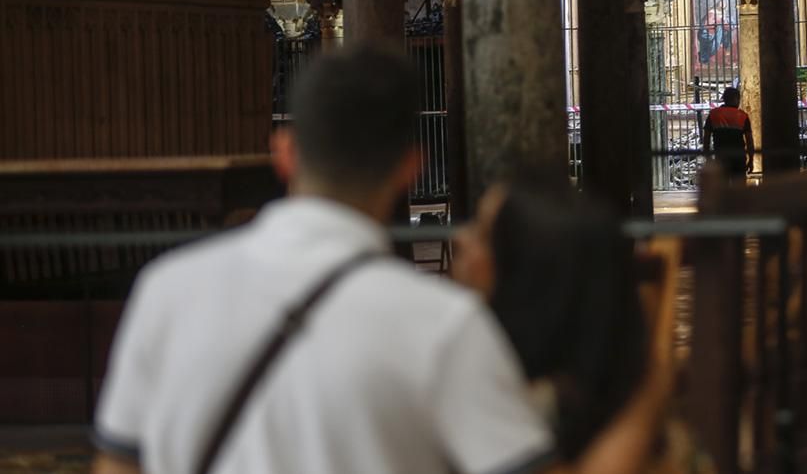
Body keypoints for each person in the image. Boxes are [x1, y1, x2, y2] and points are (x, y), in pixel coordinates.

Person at [92, 45, 557, 474]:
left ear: (285, 153)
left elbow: (118, 462)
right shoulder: (443, 324)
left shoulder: (168, 289)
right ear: (410, 167)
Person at [453, 182, 696, 473]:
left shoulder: (498, 394)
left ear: (529, 275)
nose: (461, 238)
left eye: (482, 234)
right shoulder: (626, 397)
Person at [702, 87, 754, 180]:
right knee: (739, 189)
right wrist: (751, 160)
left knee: (722, 189)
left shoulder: (713, 114)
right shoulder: (743, 116)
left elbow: (706, 139)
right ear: (736, 99)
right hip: (738, 158)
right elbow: (749, 141)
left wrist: (708, 158)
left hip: (721, 157)